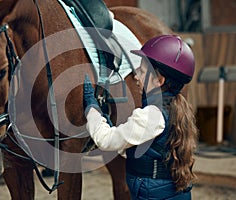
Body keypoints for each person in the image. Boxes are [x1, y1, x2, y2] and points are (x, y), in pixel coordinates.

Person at [83, 35, 198, 199]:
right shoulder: (172, 107)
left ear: (159, 80)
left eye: (142, 71)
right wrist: (107, 120)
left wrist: (91, 107)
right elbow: (136, 146)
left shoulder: (152, 115)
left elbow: (105, 140)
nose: (136, 76)